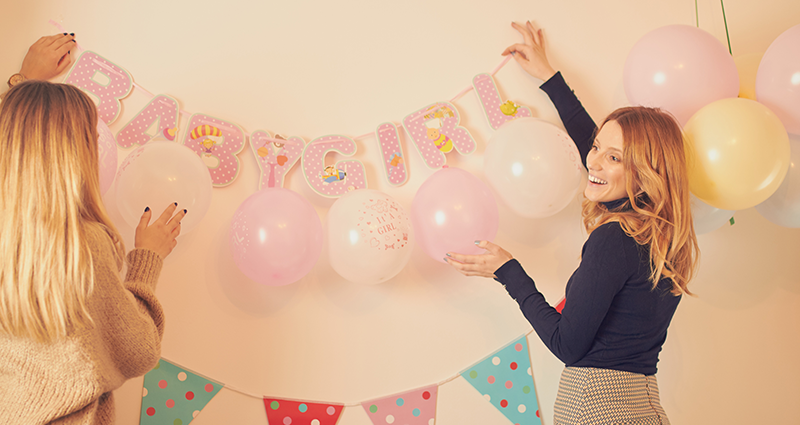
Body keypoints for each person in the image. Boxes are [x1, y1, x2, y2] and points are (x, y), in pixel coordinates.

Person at [446, 21, 699, 425]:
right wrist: (550, 79)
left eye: (613, 157)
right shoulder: (669, 236)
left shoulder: (615, 239)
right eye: (596, 148)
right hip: (644, 404)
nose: (593, 162)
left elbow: (567, 344)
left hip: (594, 408)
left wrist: (509, 272)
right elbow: (601, 157)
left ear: (645, 172)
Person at [0, 80, 186, 423]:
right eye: (93, 139)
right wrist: (148, 260)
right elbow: (137, 350)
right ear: (74, 151)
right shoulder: (82, 246)